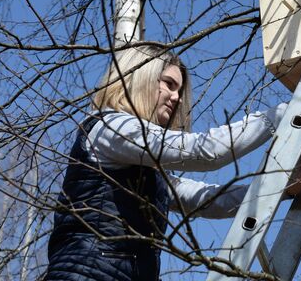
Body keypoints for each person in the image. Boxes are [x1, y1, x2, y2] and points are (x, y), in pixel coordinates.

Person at [44, 45, 287, 281]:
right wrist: (284, 114)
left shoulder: (147, 171)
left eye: (179, 90)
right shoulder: (109, 128)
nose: (177, 98)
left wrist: (282, 186)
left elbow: (207, 200)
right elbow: (206, 152)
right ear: (140, 79)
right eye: (169, 85)